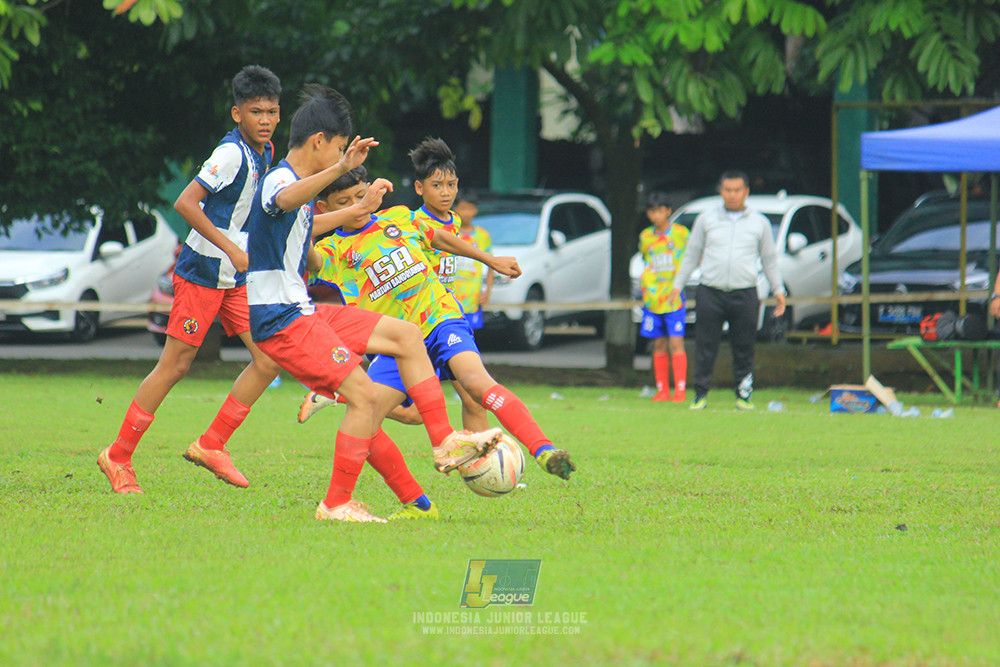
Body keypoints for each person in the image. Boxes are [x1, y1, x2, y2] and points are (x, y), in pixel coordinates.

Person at [246, 84, 501, 523]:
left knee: (405, 335)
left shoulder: (305, 190)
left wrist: (359, 206)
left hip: (302, 311)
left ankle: (443, 441)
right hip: (280, 317)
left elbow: (306, 222)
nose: (344, 159)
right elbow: (285, 203)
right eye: (340, 149)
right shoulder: (282, 179)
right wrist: (342, 173)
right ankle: (336, 503)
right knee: (365, 401)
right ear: (319, 143)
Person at [304, 166, 577, 481]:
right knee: (367, 424)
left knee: (475, 384)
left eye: (361, 196)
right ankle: (416, 503)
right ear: (323, 209)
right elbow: (305, 252)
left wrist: (490, 259)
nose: (357, 206)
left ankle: (544, 450)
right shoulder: (331, 252)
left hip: (439, 318)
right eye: (344, 202)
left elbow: (439, 237)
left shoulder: (399, 218)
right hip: (396, 343)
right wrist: (300, 217)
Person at [98, 65, 284, 494]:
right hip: (203, 271)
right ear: (236, 114)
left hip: (234, 278)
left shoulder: (265, 150)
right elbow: (185, 202)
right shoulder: (232, 153)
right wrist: (232, 248)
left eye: (273, 111)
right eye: (256, 111)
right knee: (175, 365)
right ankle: (118, 455)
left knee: (269, 357)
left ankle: (212, 444)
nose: (266, 119)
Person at [668, 171, 786, 410]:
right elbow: (692, 255)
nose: (732, 195)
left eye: (737, 190)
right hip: (711, 291)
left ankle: (743, 396)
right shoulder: (706, 219)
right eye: (728, 190)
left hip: (745, 292)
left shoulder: (759, 222)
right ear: (721, 191)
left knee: (744, 346)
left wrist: (778, 290)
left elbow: (769, 260)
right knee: (705, 345)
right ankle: (700, 395)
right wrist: (677, 285)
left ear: (746, 192)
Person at [638, 192, 689, 402]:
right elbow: (645, 260)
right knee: (658, 344)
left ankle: (680, 390)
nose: (656, 216)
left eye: (660, 211)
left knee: (676, 343)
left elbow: (693, 256)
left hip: (674, 298)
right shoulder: (645, 237)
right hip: (653, 299)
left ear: (668, 211)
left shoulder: (681, 233)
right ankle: (662, 391)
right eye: (652, 212)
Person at [452, 190, 494, 333]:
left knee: (470, 333)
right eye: (463, 208)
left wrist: (487, 291)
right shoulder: (449, 233)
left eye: (470, 208)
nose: (466, 213)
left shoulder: (482, 236)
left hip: (473, 299)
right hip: (451, 297)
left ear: (475, 210)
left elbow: (491, 264)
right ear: (455, 209)